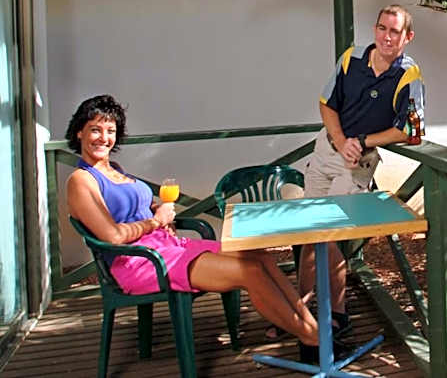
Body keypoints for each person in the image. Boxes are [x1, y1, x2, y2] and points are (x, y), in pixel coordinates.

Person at [65, 94, 322, 354]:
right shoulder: (81, 180)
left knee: (262, 257)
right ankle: (315, 341)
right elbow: (113, 236)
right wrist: (156, 221)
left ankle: (311, 329)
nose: (103, 138)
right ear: (79, 133)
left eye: (110, 131)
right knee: (251, 271)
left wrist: (157, 209)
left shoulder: (115, 168)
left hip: (169, 247)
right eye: (95, 130)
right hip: (141, 262)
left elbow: (135, 207)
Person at [273, 4, 425, 341]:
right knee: (309, 234)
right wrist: (342, 139)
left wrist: (361, 141)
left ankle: (338, 315)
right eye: (383, 28)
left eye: (395, 31)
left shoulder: (408, 74)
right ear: (375, 30)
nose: (387, 36)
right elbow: (327, 104)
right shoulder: (351, 58)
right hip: (327, 149)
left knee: (328, 235)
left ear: (407, 37)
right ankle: (302, 310)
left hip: (357, 161)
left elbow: (412, 131)